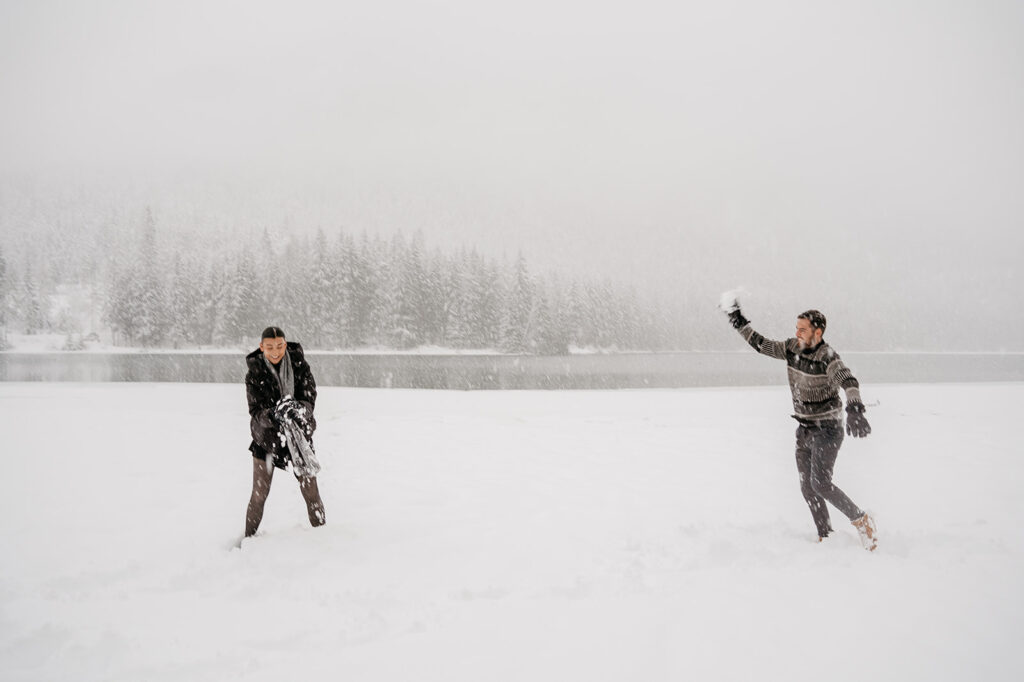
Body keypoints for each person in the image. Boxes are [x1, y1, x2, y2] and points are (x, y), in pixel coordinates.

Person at [721, 297, 877, 550]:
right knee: (807, 487)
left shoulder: (828, 356)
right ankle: (826, 536)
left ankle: (862, 520)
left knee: (821, 484)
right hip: (804, 428)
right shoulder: (791, 348)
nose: (797, 333)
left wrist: (855, 406)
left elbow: (847, 380)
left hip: (828, 429)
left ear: (818, 331)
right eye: (796, 328)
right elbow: (761, 344)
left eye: (802, 329)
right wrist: (739, 322)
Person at [243, 326, 326, 538]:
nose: (275, 351)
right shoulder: (254, 373)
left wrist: (298, 409)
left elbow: (309, 397)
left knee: (311, 491)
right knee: (259, 494)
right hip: (267, 439)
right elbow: (255, 412)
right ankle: (248, 539)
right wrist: (274, 414)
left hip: (298, 436)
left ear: (285, 345)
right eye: (270, 347)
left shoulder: (299, 365)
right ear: (262, 347)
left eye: (280, 346)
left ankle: (324, 538)